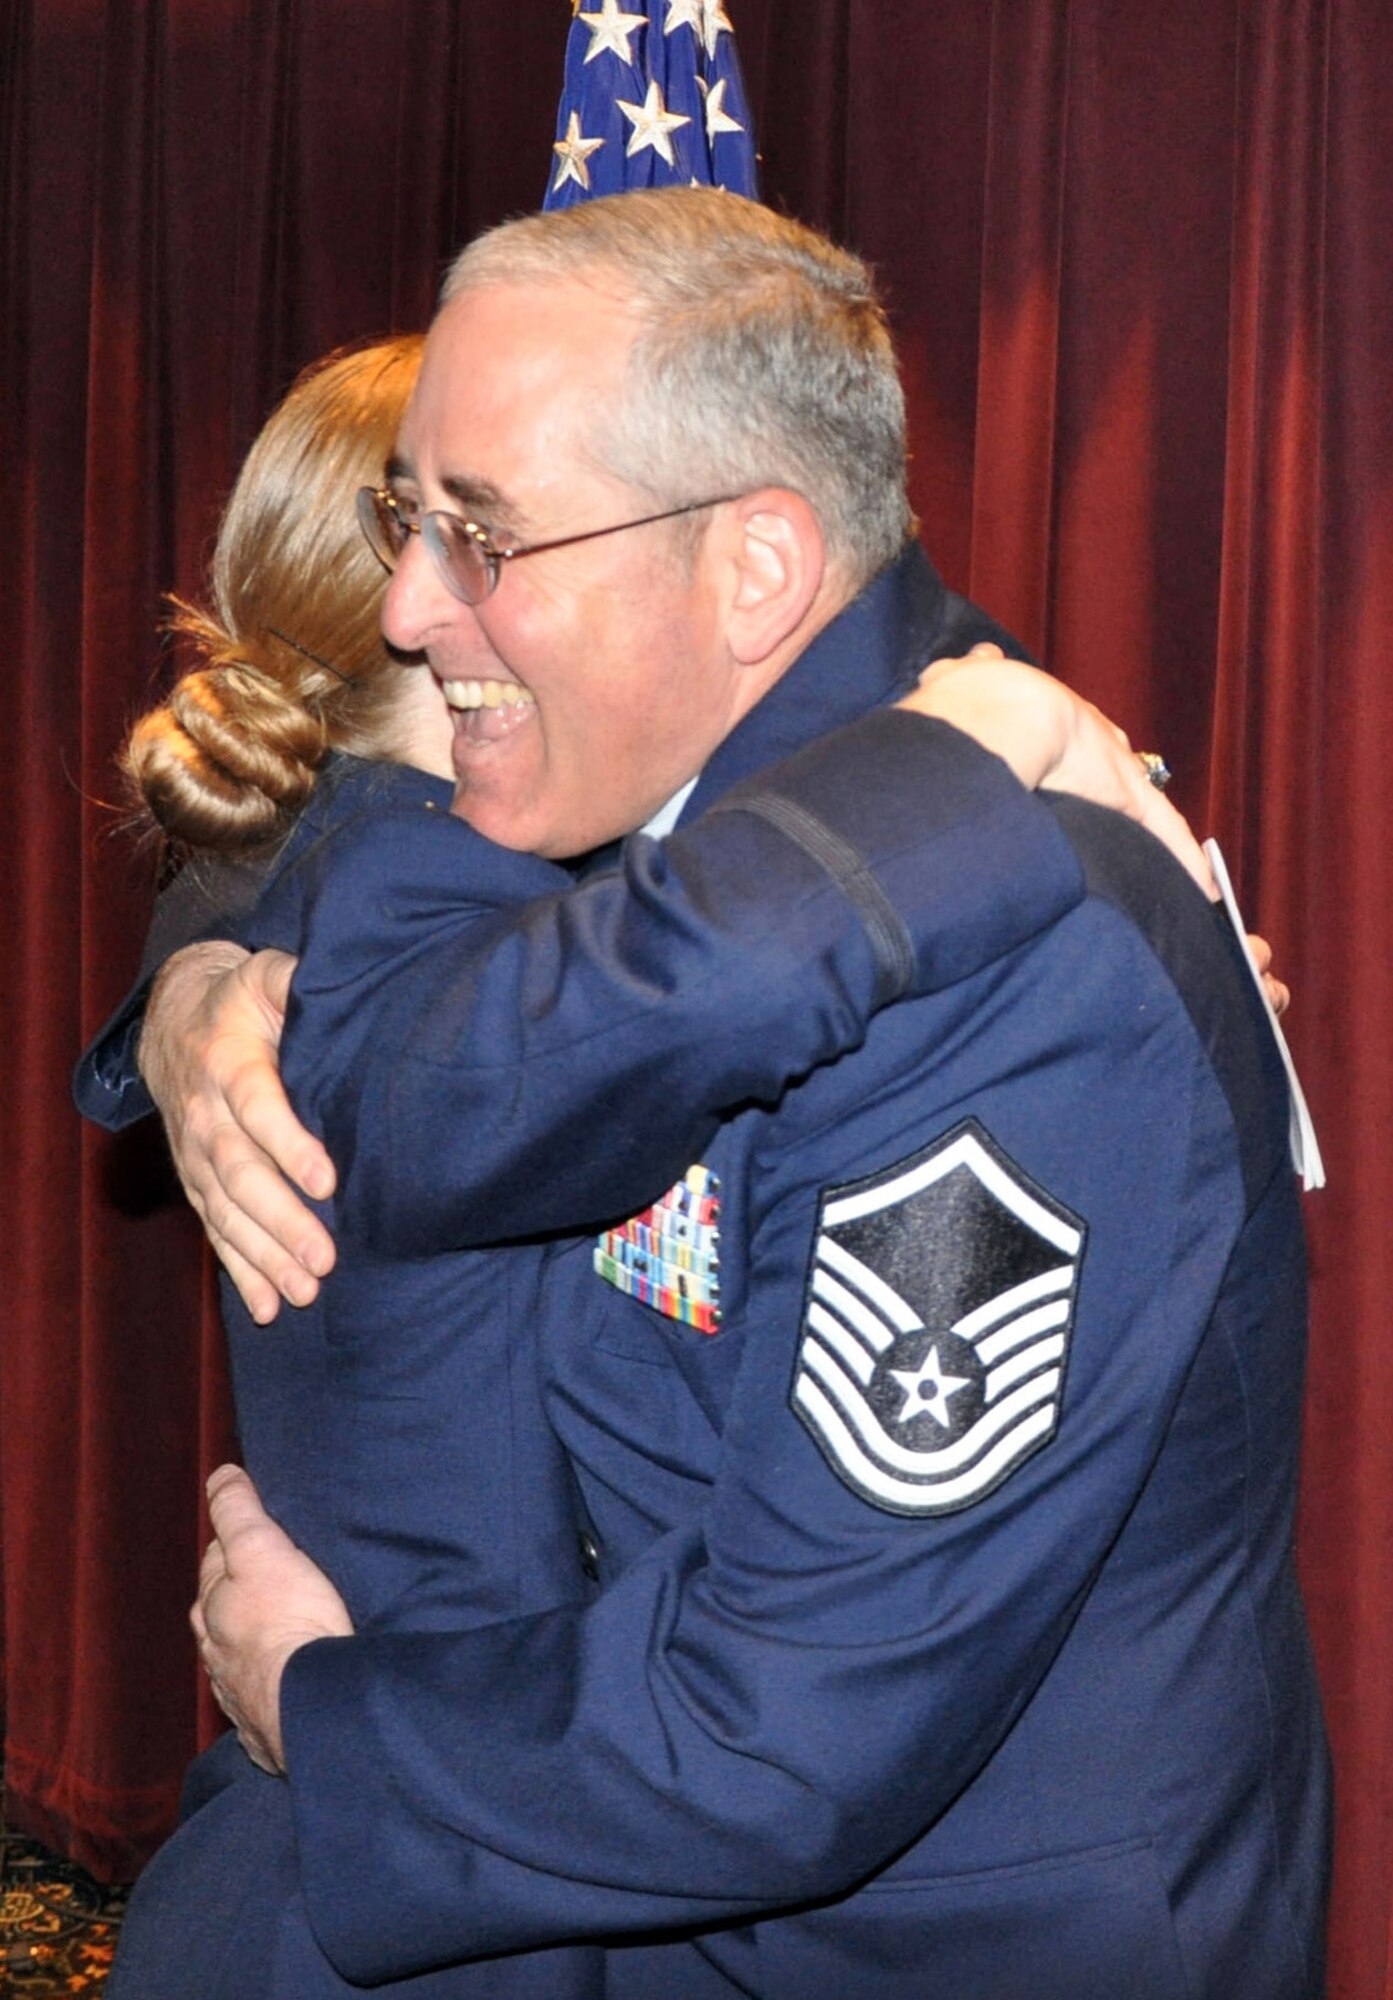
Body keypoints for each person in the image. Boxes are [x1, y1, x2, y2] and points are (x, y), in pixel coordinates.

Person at [135, 188, 1329, 1998]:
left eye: (482, 535)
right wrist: (196, 979)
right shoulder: (629, 794)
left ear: (756, 569)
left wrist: (325, 1708)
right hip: (621, 1857)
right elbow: (351, 869)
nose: (405, 608)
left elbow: (781, 1735)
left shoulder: (1008, 978)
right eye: (406, 518)